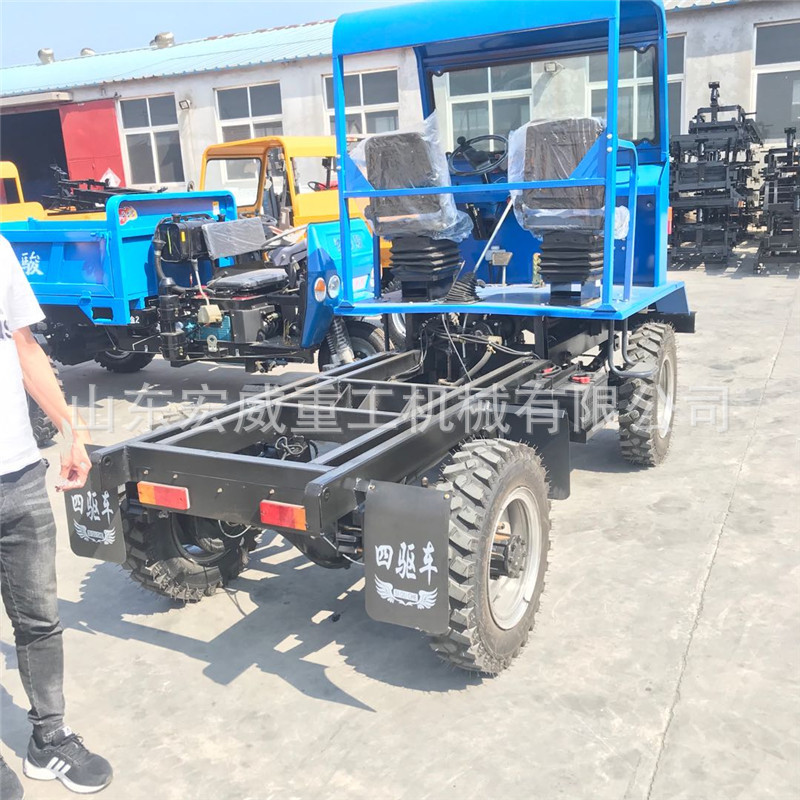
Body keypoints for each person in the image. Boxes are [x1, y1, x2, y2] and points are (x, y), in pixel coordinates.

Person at [0, 235, 113, 797]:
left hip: (18, 474)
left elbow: (23, 346)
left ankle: (49, 737)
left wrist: (71, 427)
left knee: (40, 619)